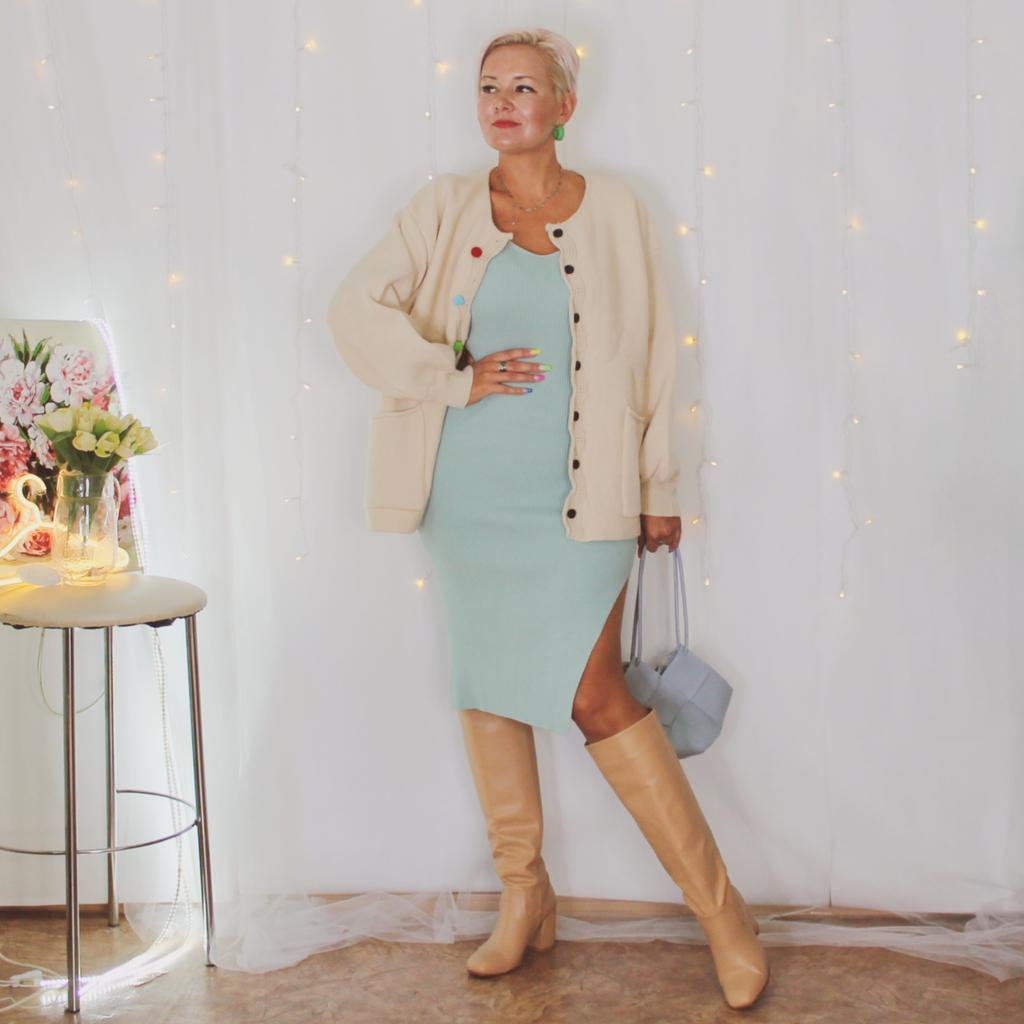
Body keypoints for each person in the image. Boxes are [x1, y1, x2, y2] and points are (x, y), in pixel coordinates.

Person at [326, 27, 769, 1011]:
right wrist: (448, 376)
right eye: (489, 86)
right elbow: (353, 310)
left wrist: (659, 488)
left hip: (585, 499)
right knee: (487, 687)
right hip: (469, 500)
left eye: (524, 87)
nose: (502, 101)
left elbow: (658, 354)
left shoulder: (618, 210)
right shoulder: (442, 208)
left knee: (597, 697)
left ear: (563, 105)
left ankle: (722, 914)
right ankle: (524, 896)